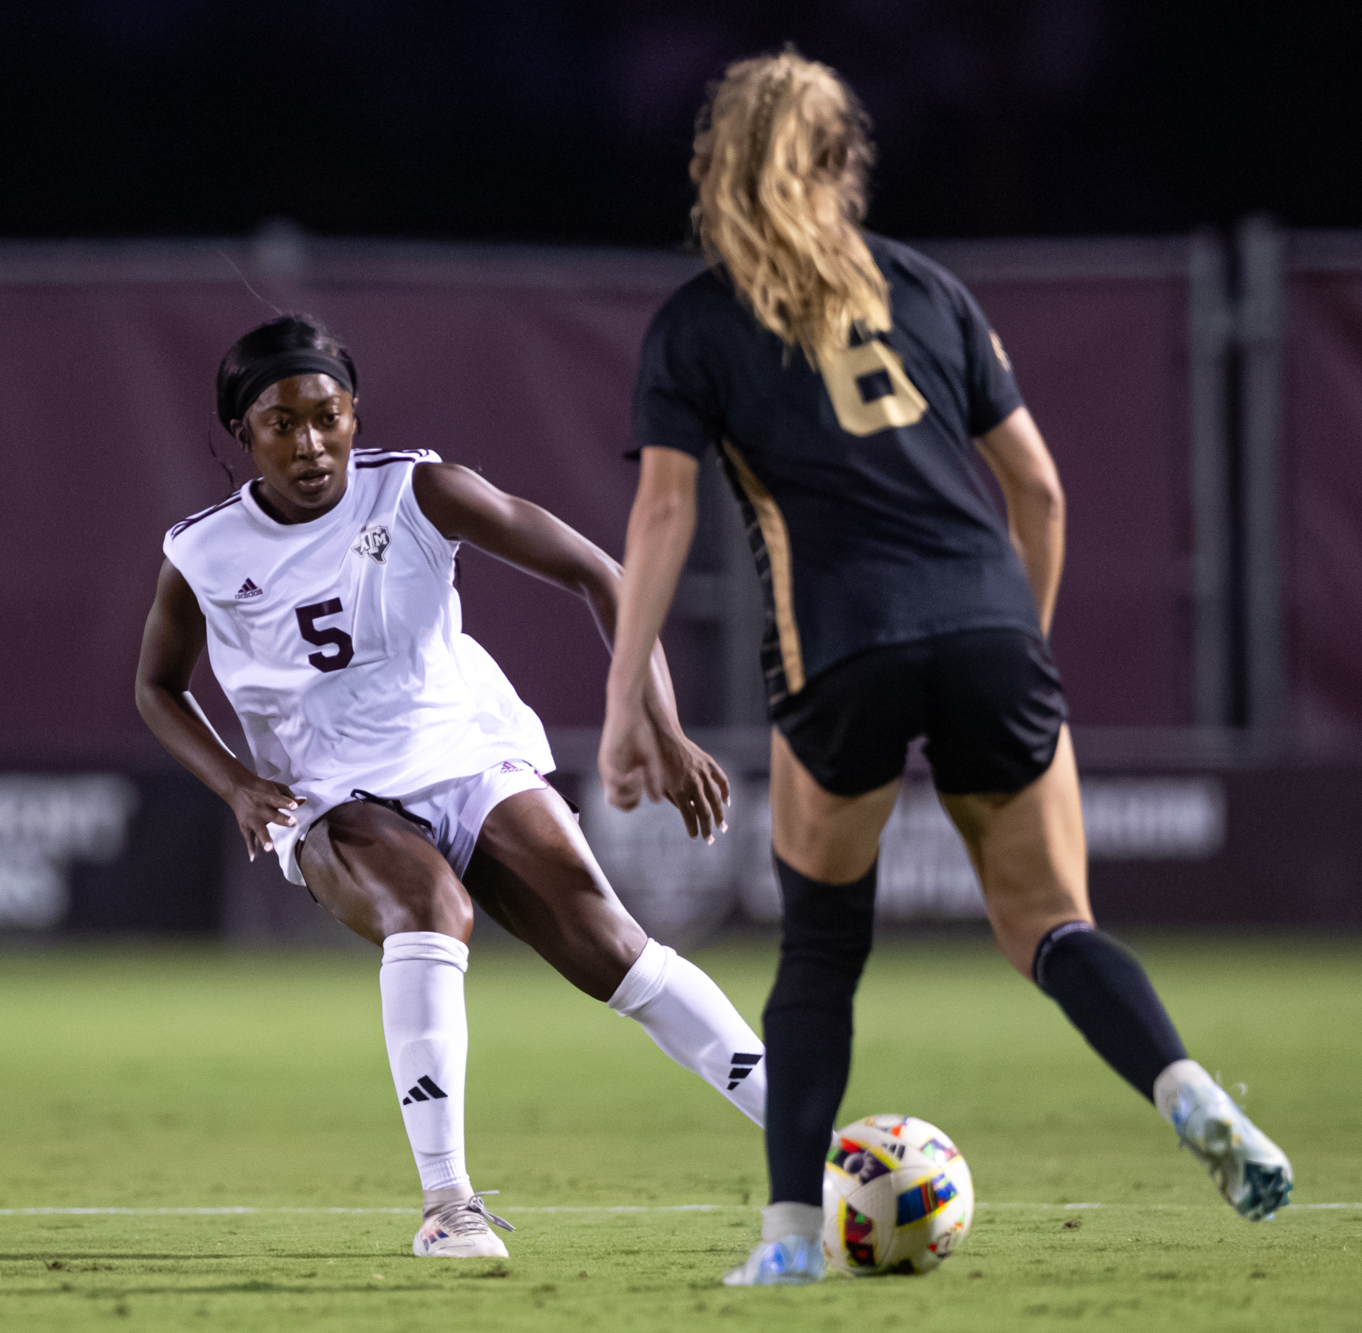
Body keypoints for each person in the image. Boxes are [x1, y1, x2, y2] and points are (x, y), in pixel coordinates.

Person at [598, 51, 1293, 1287]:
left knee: (818, 952)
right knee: (1050, 923)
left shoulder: (696, 322)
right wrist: (1014, 640)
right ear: (842, 163)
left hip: (842, 645)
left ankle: (789, 1244)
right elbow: (1038, 487)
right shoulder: (924, 289)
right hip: (986, 625)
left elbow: (658, 520)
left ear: (715, 170)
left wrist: (624, 707)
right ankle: (1188, 1091)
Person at [136, 313, 762, 1261]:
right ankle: (448, 1205)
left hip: (467, 758)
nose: (309, 443)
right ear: (244, 433)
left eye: (327, 416)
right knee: (432, 910)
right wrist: (233, 783)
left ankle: (816, 1143)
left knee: (615, 950)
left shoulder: (418, 490)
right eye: (281, 424)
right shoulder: (206, 553)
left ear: (354, 413)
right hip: (331, 795)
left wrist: (659, 723)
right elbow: (156, 685)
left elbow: (603, 574)